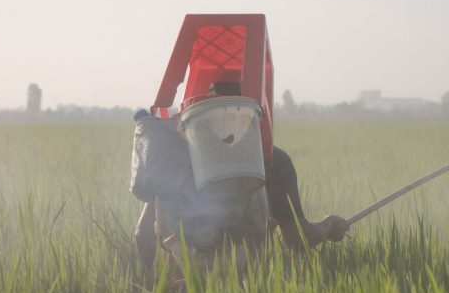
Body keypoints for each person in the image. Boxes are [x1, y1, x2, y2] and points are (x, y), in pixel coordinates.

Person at [131, 82, 347, 278]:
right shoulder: (273, 161)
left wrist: (148, 278)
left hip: (186, 284)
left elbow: (143, 233)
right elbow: (298, 239)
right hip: (247, 287)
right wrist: (330, 225)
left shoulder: (175, 160)